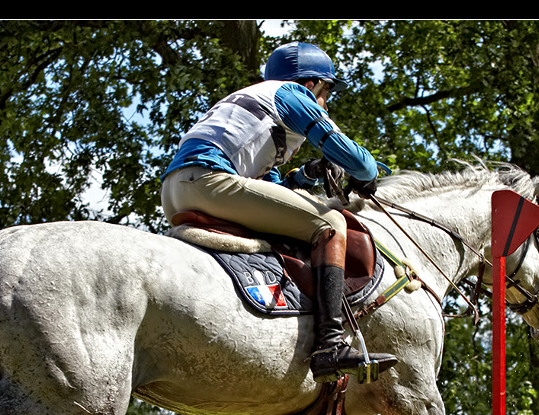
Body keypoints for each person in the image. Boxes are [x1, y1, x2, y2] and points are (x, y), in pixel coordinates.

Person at [160, 41, 397, 383]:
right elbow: (352, 155)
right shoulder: (291, 94)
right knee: (330, 224)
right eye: (327, 90)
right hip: (210, 181)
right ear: (312, 83)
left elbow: (274, 189)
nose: (326, 101)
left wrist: (308, 173)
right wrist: (369, 174)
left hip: (176, 190)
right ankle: (330, 345)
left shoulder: (251, 102)